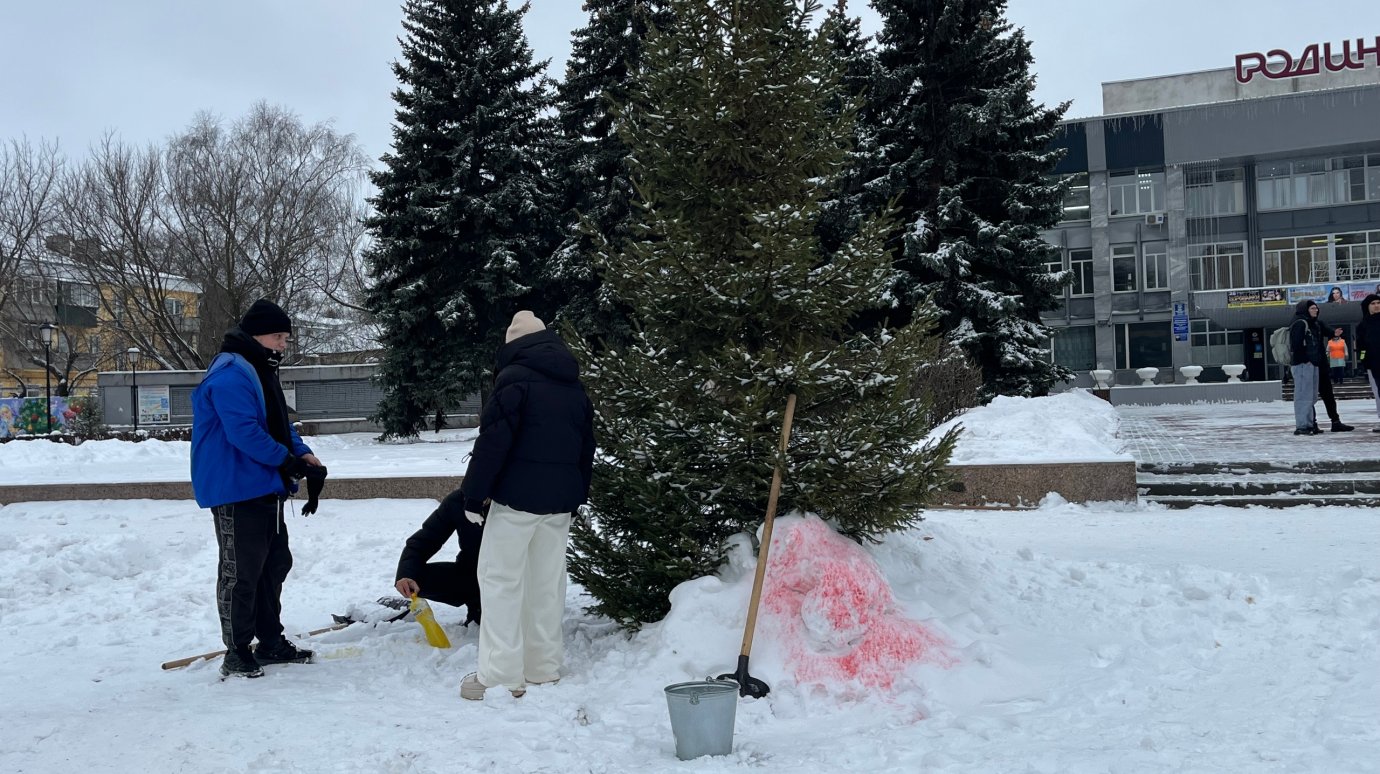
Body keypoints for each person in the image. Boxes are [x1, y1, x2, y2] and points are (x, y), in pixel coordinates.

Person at [459, 311, 594, 701]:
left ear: (512, 345)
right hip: (559, 502)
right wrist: (577, 495)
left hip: (516, 499)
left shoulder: (514, 380)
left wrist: (473, 494)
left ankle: (500, 674)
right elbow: (587, 448)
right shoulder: (573, 386)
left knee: (501, 580)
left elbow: (493, 442)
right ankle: (543, 667)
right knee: (546, 583)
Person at [191, 299, 328, 678]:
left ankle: (270, 642)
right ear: (256, 335)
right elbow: (245, 434)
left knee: (273, 566)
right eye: (278, 336)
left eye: (286, 337)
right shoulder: (231, 374)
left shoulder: (258, 369)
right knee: (241, 573)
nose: (283, 344)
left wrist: (303, 453)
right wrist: (288, 462)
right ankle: (236, 650)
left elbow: (278, 424)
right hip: (236, 487)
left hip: (264, 484)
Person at [393, 489, 484, 625]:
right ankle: (477, 609)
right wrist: (407, 575)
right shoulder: (459, 500)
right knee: (415, 577)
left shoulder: (520, 499)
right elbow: (424, 540)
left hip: (516, 580)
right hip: (473, 575)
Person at [1355, 294, 1380, 431]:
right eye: (1373, 303)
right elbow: (1361, 347)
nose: (1377, 305)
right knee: (1378, 392)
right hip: (1374, 364)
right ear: (1367, 306)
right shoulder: (1363, 325)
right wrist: (1364, 360)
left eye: (1378, 302)